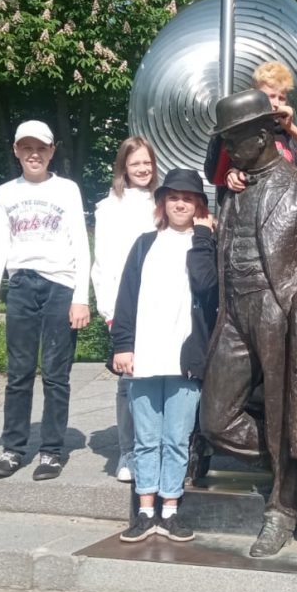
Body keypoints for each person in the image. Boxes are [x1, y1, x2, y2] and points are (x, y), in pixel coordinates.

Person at [201, 89, 297, 558]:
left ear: (263, 136)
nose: (228, 150)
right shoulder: (233, 191)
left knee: (287, 410)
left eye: (235, 140)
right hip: (234, 313)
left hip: (280, 312)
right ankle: (295, 457)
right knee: (215, 419)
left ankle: (282, 508)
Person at [0, 120, 91, 481]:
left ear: (52, 151)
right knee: (19, 373)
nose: (34, 154)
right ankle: (13, 449)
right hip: (22, 285)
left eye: (41, 148)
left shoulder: (67, 190)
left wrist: (81, 298)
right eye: (27, 147)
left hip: (60, 286)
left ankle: (51, 452)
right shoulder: (6, 193)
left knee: (56, 374)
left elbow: (81, 245)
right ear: (16, 151)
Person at [110, 169, 217, 543]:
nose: (180, 204)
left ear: (199, 205)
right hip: (145, 355)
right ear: (162, 203)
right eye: (173, 197)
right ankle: (144, 511)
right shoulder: (145, 244)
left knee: (176, 438)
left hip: (185, 358)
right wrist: (122, 345)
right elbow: (126, 298)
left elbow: (207, 285)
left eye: (188, 198)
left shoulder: (205, 244)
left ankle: (170, 510)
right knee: (146, 438)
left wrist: (203, 237)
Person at [91, 137, 160, 483]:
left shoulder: (164, 201)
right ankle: (128, 452)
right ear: (123, 168)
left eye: (147, 162)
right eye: (135, 164)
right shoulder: (109, 208)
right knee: (128, 381)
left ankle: (160, 450)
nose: (142, 169)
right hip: (125, 305)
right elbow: (103, 263)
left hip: (162, 302)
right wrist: (109, 312)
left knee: (163, 379)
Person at [206, 60, 297, 198]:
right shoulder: (240, 129)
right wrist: (230, 173)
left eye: (282, 98)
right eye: (270, 96)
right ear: (254, 94)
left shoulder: (290, 133)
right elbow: (213, 173)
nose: (276, 103)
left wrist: (291, 128)